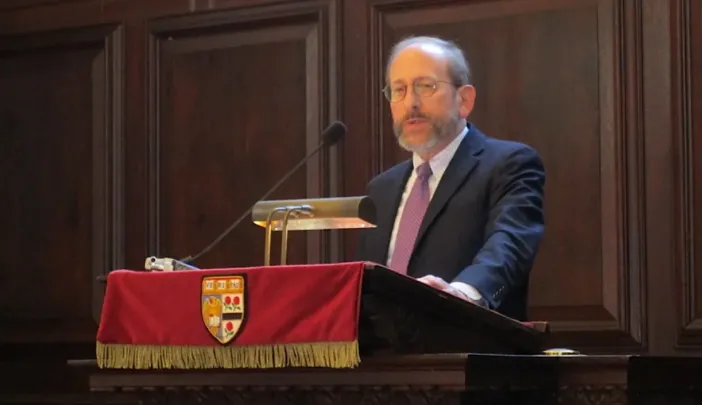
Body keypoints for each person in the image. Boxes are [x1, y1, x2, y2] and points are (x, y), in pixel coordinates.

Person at [356, 36, 546, 321]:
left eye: (426, 86)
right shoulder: (381, 189)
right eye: (399, 90)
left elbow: (510, 244)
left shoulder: (509, 165)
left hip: (468, 347)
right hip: (384, 357)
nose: (411, 102)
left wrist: (462, 294)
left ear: (465, 99)